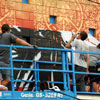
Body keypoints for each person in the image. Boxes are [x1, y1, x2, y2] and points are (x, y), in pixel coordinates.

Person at [0, 24, 37, 91]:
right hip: (5, 61)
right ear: (8, 30)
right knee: (7, 79)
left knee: (1, 79)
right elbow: (20, 41)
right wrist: (30, 45)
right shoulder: (9, 35)